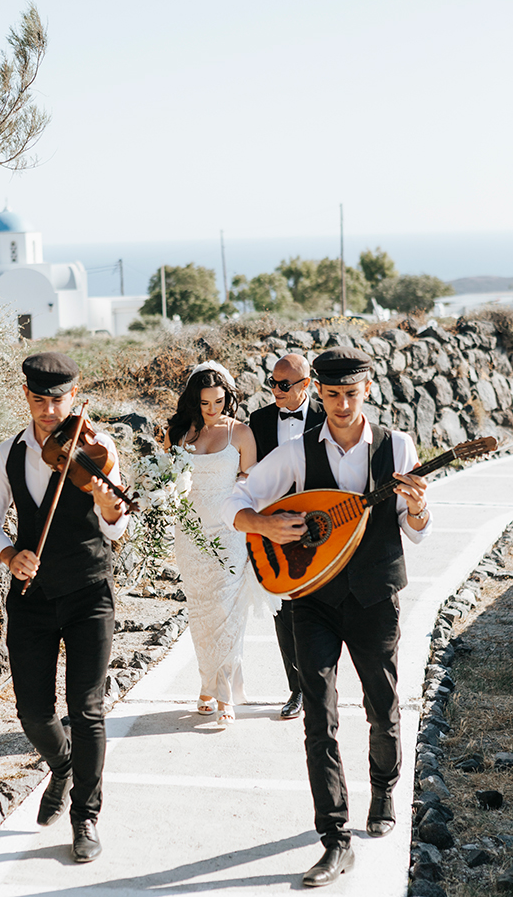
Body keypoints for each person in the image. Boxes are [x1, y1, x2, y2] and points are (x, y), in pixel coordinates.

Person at [222, 347, 432, 887]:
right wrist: (261, 526)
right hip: (310, 598)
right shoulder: (295, 452)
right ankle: (334, 839)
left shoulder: (397, 446)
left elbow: (417, 528)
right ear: (317, 391)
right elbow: (236, 500)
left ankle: (383, 787)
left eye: (351, 394)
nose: (341, 405)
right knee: (320, 716)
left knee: (382, 706)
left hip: (373, 597)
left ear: (368, 391)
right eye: (332, 394)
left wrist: (416, 506)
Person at [0, 352, 129, 863]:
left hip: (89, 591)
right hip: (32, 597)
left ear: (75, 395)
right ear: (26, 397)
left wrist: (111, 510)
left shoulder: (98, 448)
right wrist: (8, 554)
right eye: (38, 400)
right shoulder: (10, 452)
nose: (48, 411)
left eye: (57, 400)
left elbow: (116, 528)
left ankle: (85, 816)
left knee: (86, 711)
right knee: (34, 713)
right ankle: (62, 765)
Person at [164, 360, 277, 726]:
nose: (213, 410)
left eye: (218, 401)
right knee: (200, 612)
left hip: (229, 531)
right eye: (204, 403)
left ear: (228, 397)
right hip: (191, 534)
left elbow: (252, 486)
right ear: (194, 402)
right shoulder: (180, 434)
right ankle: (205, 683)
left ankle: (223, 691)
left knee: (228, 609)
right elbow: (169, 482)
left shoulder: (240, 434)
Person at [249, 353, 324, 721]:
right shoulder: (259, 421)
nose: (275, 391)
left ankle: (321, 686)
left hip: (322, 526)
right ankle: (296, 689)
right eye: (272, 383)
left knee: (323, 606)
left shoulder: (328, 420)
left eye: (284, 384)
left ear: (306, 385)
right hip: (276, 528)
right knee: (286, 611)